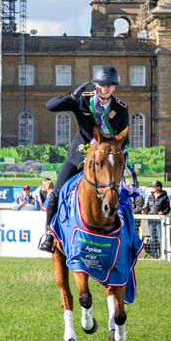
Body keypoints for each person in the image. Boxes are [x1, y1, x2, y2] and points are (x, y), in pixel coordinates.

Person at [38, 66, 130, 252]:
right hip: (80, 157)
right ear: (95, 84)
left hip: (105, 161)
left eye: (109, 86)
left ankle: (127, 236)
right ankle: (48, 234)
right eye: (101, 85)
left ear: (115, 88)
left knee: (122, 194)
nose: (104, 88)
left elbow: (124, 138)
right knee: (57, 191)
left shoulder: (121, 108)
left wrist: (120, 154)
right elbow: (50, 106)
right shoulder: (83, 100)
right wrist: (71, 96)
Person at [145, 180, 170, 257]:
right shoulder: (150, 197)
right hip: (151, 220)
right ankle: (152, 254)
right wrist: (145, 210)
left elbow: (168, 208)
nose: (152, 188)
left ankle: (163, 254)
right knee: (153, 238)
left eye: (154, 186)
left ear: (159, 187)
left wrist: (163, 212)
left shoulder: (165, 197)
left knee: (161, 237)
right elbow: (148, 207)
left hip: (159, 220)